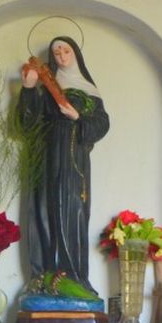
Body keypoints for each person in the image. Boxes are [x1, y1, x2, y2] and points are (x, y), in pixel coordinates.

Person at [17, 35, 110, 292]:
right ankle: (44, 274)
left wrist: (77, 116)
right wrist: (28, 89)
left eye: (66, 50)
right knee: (43, 208)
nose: (61, 56)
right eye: (56, 52)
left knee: (72, 209)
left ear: (76, 54)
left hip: (73, 159)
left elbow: (102, 123)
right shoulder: (47, 86)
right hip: (45, 154)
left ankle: (72, 275)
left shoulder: (89, 88)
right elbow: (27, 124)